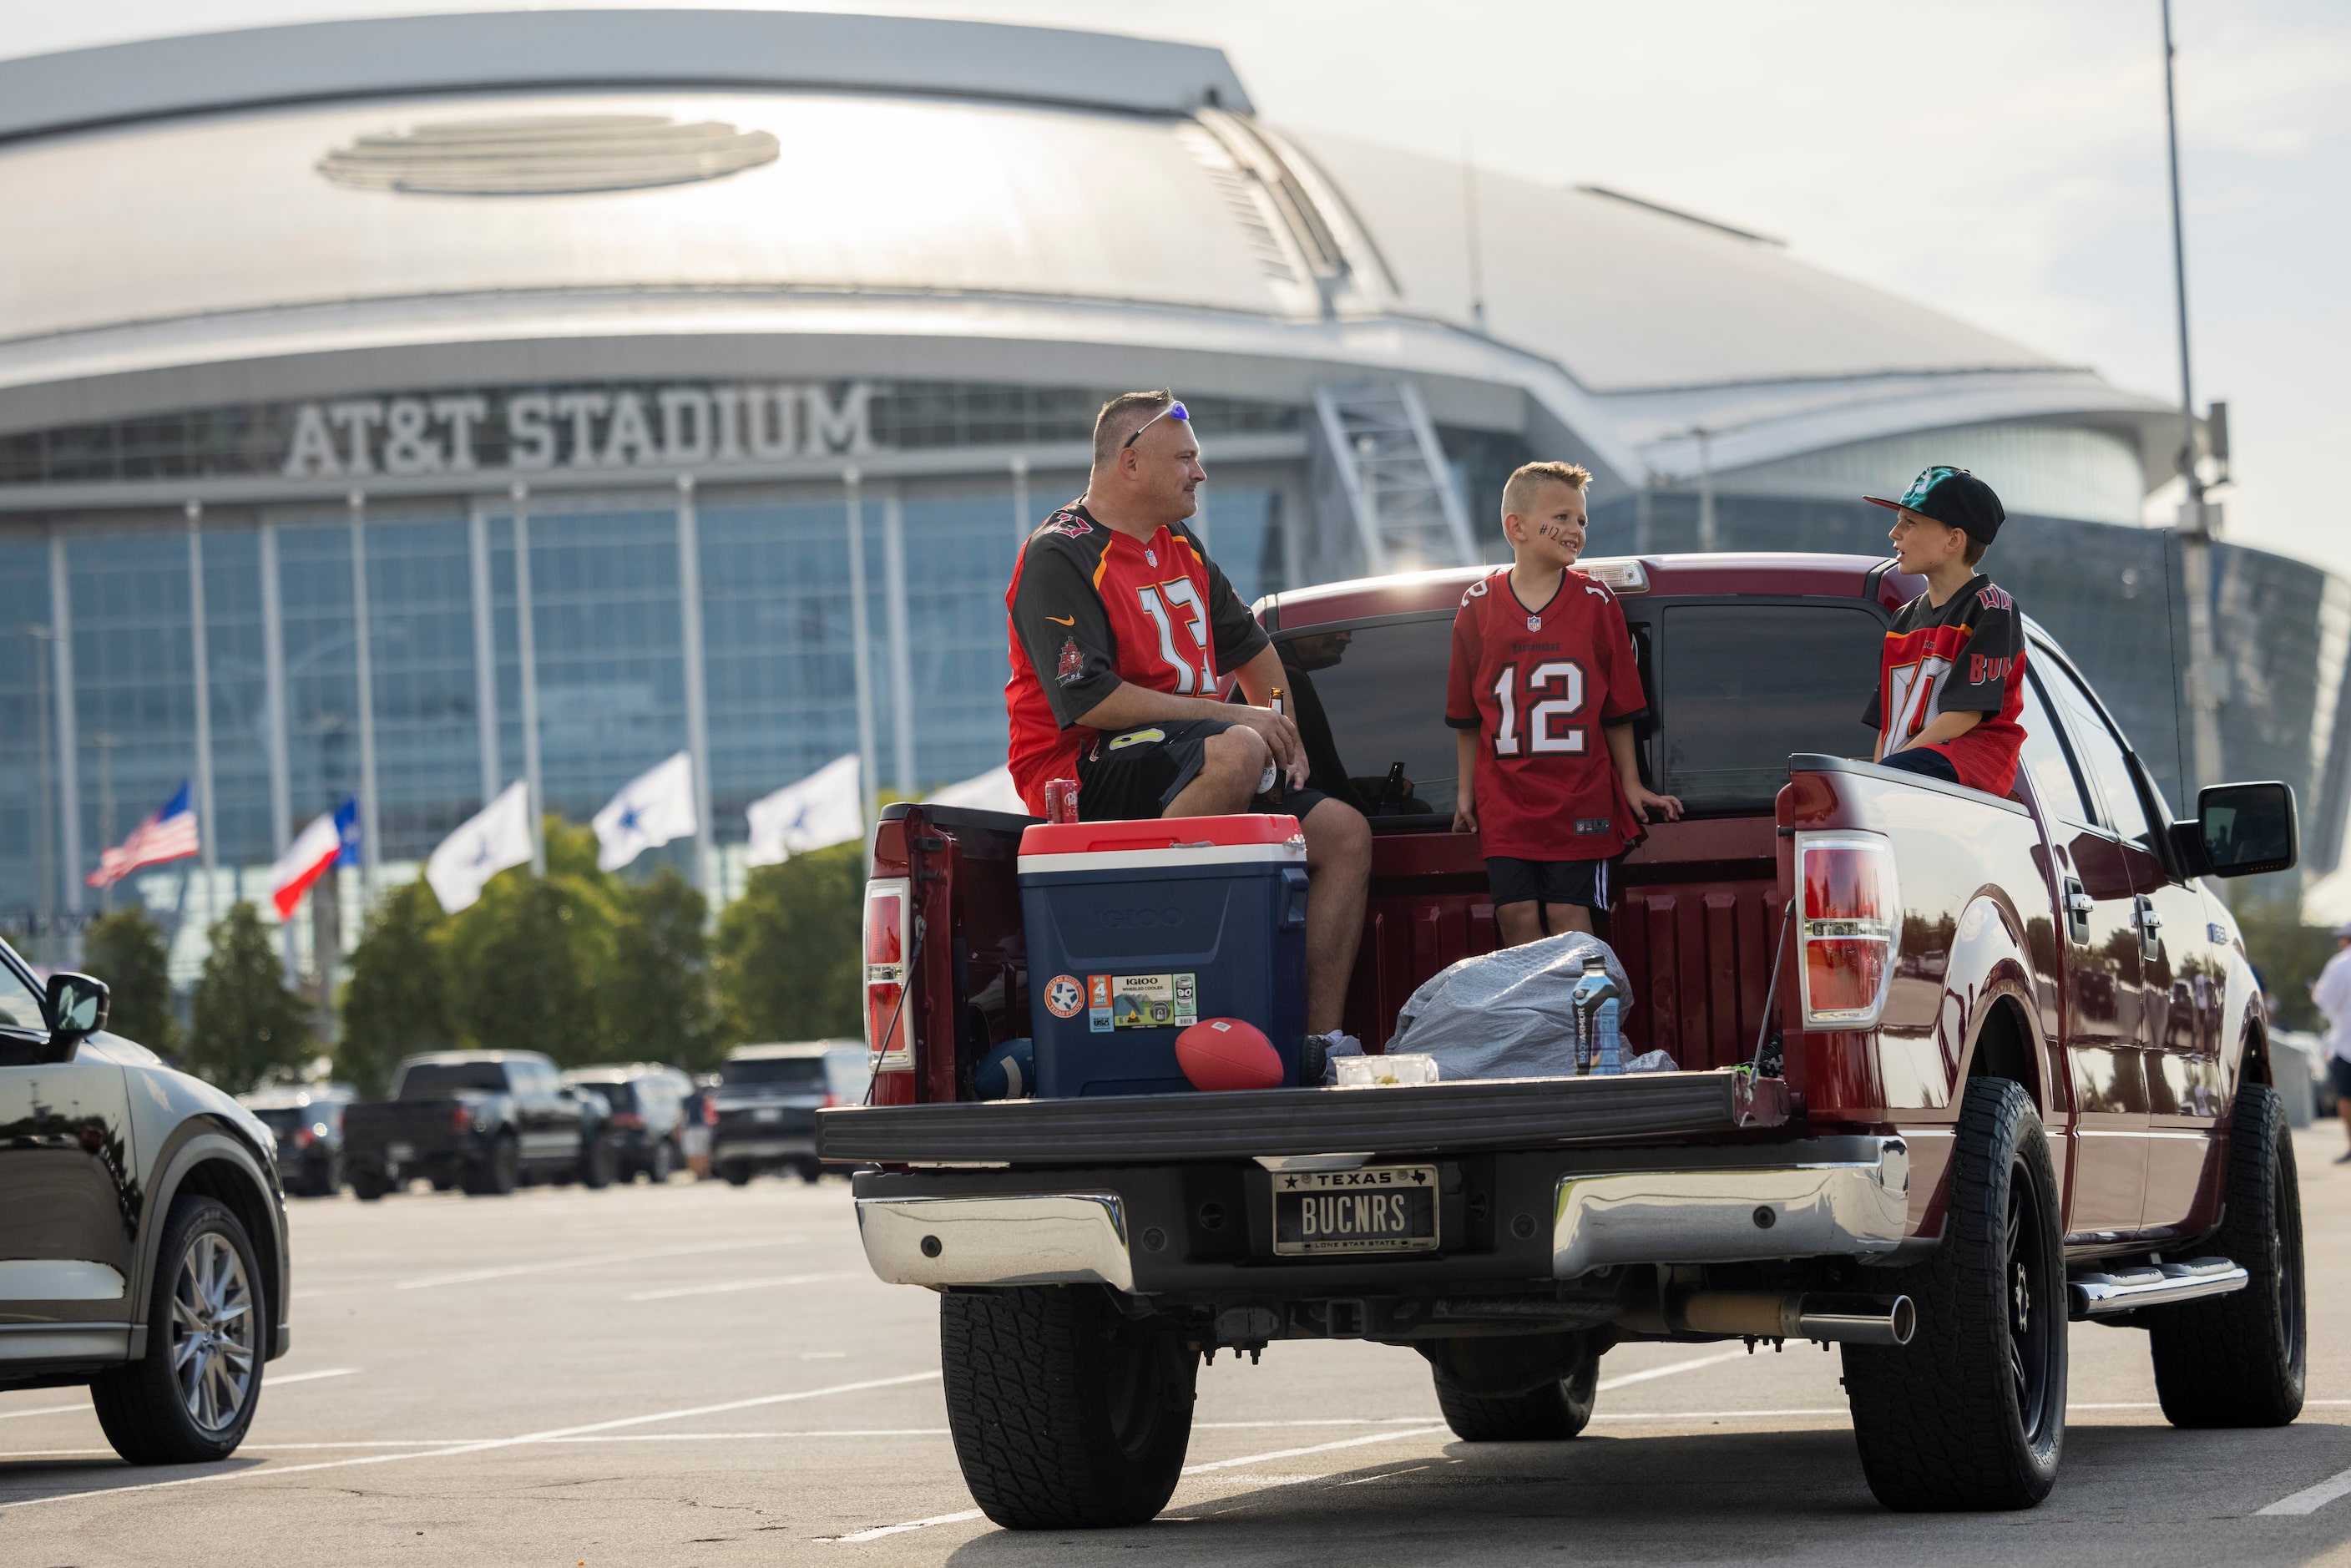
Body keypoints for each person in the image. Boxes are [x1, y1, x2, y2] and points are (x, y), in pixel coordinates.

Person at [1004, 390, 1372, 1048]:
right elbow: (1087, 698)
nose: (1199, 473)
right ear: (1131, 462)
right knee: (1233, 751)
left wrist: (1282, 730)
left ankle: (1319, 1046)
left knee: (1344, 833)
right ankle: (1138, 974)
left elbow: (1252, 645)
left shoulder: (1180, 543)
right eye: (1185, 458)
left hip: (1190, 751)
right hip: (1079, 771)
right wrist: (1240, 725)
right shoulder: (1059, 554)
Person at [1446, 461, 1681, 947]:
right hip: (1505, 801)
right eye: (1564, 517)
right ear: (1517, 526)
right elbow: (1467, 716)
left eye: (1582, 521)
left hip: (1579, 796)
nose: (1577, 530)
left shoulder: (1597, 601)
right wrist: (1466, 791)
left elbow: (1618, 709)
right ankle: (1537, 1027)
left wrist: (1631, 783)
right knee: (1516, 921)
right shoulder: (1477, 605)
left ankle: (1582, 1027)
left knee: (1568, 917)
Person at [1861, 466, 2028, 794]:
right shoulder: (1903, 619)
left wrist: (1884, 778)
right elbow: (1888, 725)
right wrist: (1878, 776)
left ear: (1954, 539)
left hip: (1967, 765)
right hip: (1910, 767)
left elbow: (1965, 714)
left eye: (1910, 523)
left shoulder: (1992, 606)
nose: (1894, 533)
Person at [2311, 920, 2351, 1162]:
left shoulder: (2340, 965)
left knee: (2346, 1097)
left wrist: (2315, 991)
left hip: (2346, 1044)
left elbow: (2324, 1002)